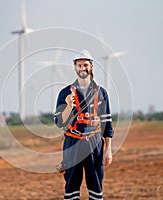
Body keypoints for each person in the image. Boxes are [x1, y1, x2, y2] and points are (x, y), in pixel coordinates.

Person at [54, 49, 114, 200]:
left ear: (91, 66)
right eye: (79, 65)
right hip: (72, 143)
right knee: (71, 186)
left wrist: (108, 150)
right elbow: (59, 122)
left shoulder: (101, 93)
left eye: (85, 65)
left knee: (95, 185)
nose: (82, 68)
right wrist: (68, 106)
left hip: (95, 144)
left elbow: (107, 123)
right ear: (75, 67)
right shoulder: (65, 93)